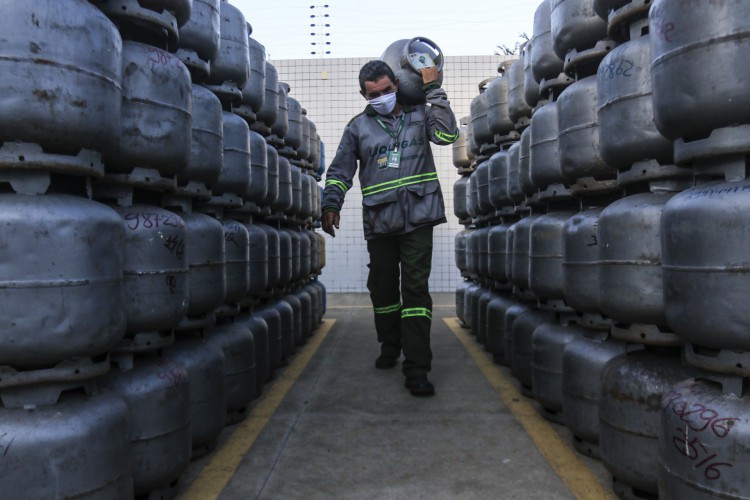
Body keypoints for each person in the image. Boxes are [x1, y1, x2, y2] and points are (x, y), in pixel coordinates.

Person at [321, 59, 458, 396]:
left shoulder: (420, 113)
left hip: (419, 217)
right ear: (363, 94)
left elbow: (446, 135)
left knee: (414, 290)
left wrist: (434, 89)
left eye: (386, 90)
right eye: (373, 94)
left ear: (396, 84)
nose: (381, 97)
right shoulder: (357, 128)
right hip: (381, 222)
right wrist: (330, 205)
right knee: (382, 289)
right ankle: (389, 344)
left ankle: (417, 369)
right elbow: (339, 172)